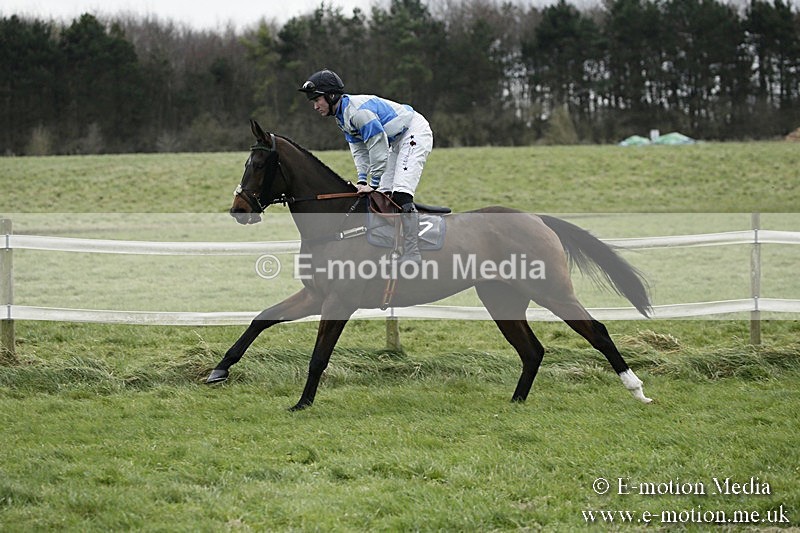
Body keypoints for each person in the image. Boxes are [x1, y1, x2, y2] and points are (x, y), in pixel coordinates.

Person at [298, 69, 433, 264]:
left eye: (317, 99)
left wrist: (374, 182)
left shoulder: (358, 113)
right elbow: (359, 151)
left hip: (413, 133)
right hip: (395, 140)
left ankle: (413, 252)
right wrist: (362, 180)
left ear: (331, 95)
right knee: (385, 197)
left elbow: (377, 145)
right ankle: (392, 247)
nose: (315, 106)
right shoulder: (342, 116)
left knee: (401, 193)